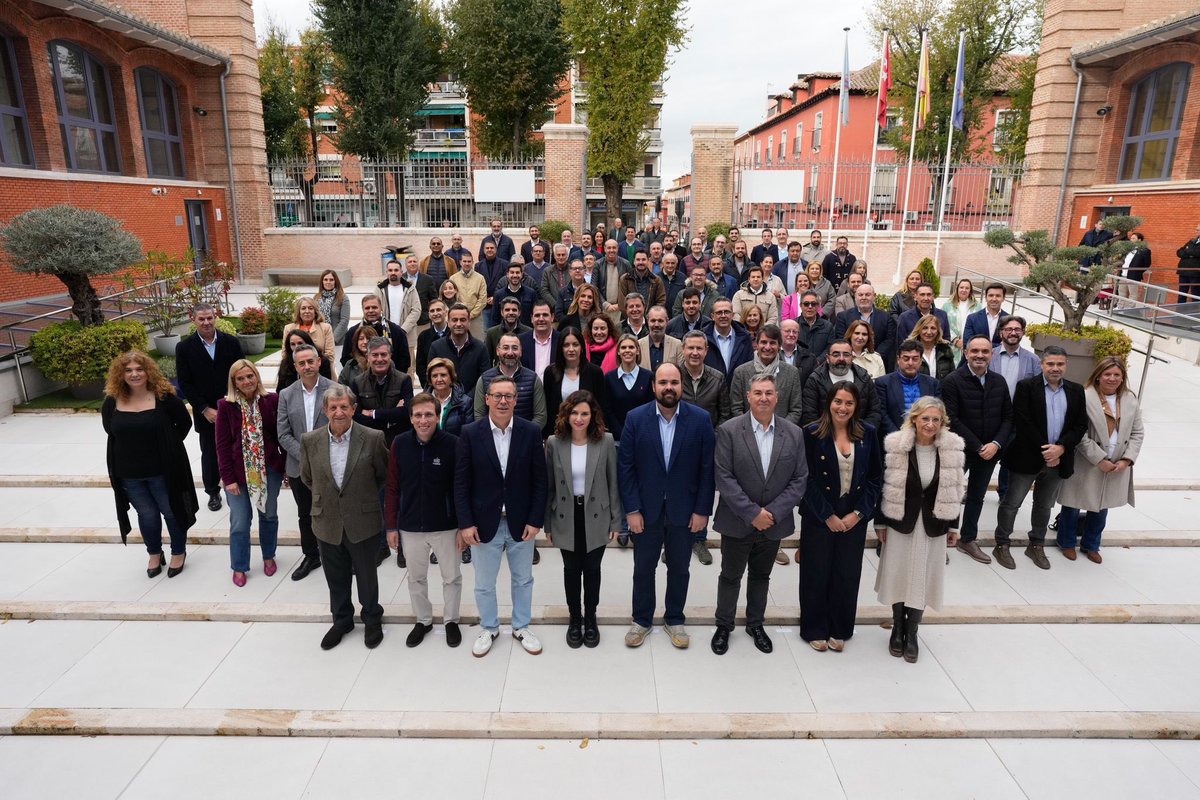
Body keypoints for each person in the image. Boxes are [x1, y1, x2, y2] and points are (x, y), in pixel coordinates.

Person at [619, 363, 717, 649]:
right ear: (653, 387)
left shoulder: (700, 420)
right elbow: (626, 468)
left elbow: (707, 469)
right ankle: (641, 620)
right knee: (643, 568)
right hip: (645, 510)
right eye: (663, 383)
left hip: (684, 511)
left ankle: (675, 619)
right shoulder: (635, 419)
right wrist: (631, 510)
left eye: (674, 382)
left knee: (679, 568)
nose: (669, 388)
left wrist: (702, 511)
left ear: (681, 385)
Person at [711, 374, 808, 655]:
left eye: (768, 393)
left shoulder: (793, 433)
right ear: (748, 397)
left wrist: (772, 513)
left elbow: (800, 478)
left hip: (773, 523)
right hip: (737, 520)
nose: (763, 398)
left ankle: (755, 624)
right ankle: (724, 624)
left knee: (761, 576)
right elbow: (724, 477)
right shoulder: (729, 430)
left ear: (777, 397)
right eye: (758, 393)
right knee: (730, 576)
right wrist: (752, 513)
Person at [456, 376, 549, 657]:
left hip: (521, 522)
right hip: (485, 523)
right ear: (487, 399)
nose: (503, 401)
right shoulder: (470, 433)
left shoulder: (530, 431)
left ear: (516, 400)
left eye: (508, 396)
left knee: (523, 579)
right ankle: (489, 627)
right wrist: (466, 523)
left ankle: (521, 626)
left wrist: (535, 520)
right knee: (484, 583)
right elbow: (461, 483)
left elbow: (540, 481)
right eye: (497, 396)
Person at [874, 397, 966, 663]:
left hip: (933, 523)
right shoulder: (896, 445)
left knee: (922, 577)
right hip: (900, 521)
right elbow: (885, 485)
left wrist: (954, 526)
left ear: (942, 422)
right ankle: (897, 628)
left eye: (936, 419)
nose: (930, 424)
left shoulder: (952, 448)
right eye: (925, 418)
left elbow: (955, 488)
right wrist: (880, 522)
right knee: (899, 575)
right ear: (914, 419)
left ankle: (912, 631)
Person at [300, 384, 390, 650]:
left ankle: (372, 618)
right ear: (325, 410)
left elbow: (383, 475)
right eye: (333, 407)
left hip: (363, 520)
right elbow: (308, 477)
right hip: (327, 520)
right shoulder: (310, 441)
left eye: (344, 407)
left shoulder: (373, 437)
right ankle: (342, 621)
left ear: (353, 409)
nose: (338, 412)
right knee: (335, 577)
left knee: (366, 576)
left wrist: (360, 498)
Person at [799, 382, 883, 651]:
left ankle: (840, 628)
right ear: (829, 403)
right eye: (838, 401)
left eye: (849, 403)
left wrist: (859, 514)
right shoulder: (812, 433)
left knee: (847, 574)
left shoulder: (868, 433)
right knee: (816, 572)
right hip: (819, 514)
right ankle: (814, 628)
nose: (842, 408)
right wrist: (827, 515)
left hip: (853, 516)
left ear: (856, 406)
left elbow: (875, 478)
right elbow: (805, 478)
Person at [102, 351, 198, 578]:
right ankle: (154, 552)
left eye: (139, 369)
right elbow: (110, 430)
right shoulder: (112, 401)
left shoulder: (164, 398)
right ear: (120, 374)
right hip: (128, 473)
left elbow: (184, 423)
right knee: (147, 515)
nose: (134, 374)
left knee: (171, 512)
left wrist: (168, 446)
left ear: (148, 372)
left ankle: (178, 552)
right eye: (128, 370)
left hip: (162, 471)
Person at [993, 346, 1088, 570]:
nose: (1055, 368)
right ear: (1042, 365)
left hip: (1059, 460)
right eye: (1050, 364)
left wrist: (1061, 448)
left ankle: (1036, 544)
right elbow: (1023, 422)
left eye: (1060, 364)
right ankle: (1002, 543)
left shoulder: (1076, 390)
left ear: (1066, 365)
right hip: (1027, 458)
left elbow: (1080, 424)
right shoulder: (1026, 387)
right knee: (1011, 503)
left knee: (1044, 506)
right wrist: (1048, 451)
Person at [544, 391, 623, 648]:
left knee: (592, 569)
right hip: (566, 514)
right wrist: (547, 523)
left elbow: (613, 483)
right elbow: (549, 486)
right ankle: (574, 617)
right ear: (566, 415)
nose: (579, 418)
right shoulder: (554, 442)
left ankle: (590, 618)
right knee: (571, 570)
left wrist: (616, 521)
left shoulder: (605, 441)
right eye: (574, 413)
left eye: (585, 413)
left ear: (593, 415)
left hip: (596, 514)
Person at [385, 392, 463, 648]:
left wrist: (463, 526)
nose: (423, 420)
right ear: (410, 418)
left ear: (438, 417)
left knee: (451, 577)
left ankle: (451, 621)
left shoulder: (453, 444)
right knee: (416, 578)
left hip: (446, 525)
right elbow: (393, 487)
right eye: (417, 415)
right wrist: (391, 525)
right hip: (411, 526)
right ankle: (423, 620)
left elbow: (461, 488)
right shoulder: (399, 444)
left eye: (429, 414)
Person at [1055, 357, 1144, 563]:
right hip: (1087, 461)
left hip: (1117, 462)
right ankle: (1066, 542)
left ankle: (1091, 544)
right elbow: (1078, 432)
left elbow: (1138, 432)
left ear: (1123, 377)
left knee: (1102, 505)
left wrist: (1127, 459)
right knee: (1073, 502)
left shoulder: (1130, 399)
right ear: (1098, 376)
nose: (1112, 378)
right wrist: (1099, 458)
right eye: (1107, 374)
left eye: (1117, 375)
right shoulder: (1085, 396)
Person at [938, 335, 1014, 565]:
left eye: (985, 351)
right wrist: (979, 446)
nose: (980, 355)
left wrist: (996, 444)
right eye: (975, 351)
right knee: (947, 495)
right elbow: (952, 419)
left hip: (990, 451)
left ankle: (968, 539)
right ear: (966, 353)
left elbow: (1008, 418)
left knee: (977, 497)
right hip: (960, 450)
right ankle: (939, 540)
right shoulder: (952, 381)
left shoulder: (999, 382)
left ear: (991, 354)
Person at [216, 359, 285, 587]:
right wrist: (228, 479)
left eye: (250, 376)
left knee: (269, 515)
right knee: (240, 521)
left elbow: (280, 436)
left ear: (257, 376)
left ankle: (268, 555)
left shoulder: (271, 400)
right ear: (234, 382)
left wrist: (285, 466)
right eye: (241, 378)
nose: (247, 381)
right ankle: (239, 565)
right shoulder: (225, 406)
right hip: (238, 475)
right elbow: (222, 446)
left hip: (269, 471)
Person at [176, 303, 244, 512]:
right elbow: (185, 383)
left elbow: (242, 372)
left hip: (233, 407)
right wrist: (204, 408)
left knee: (238, 447)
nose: (206, 322)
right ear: (193, 320)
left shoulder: (231, 342)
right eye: (201, 319)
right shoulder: (184, 348)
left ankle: (241, 483)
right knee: (210, 453)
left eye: (209, 318)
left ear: (215, 318)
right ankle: (213, 491)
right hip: (206, 413)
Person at [276, 344, 332, 582]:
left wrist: (321, 456)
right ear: (295, 366)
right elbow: (283, 433)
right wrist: (305, 455)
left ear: (319, 362)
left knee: (332, 512)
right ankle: (311, 555)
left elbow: (342, 427)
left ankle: (335, 554)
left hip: (330, 464)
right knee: (305, 514)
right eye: (302, 363)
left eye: (311, 361)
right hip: (299, 467)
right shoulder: (286, 394)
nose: (307, 366)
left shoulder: (336, 390)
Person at [728, 324, 804, 425]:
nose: (767, 347)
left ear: (779, 346)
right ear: (757, 344)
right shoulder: (741, 372)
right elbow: (736, 408)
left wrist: (780, 430)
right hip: (747, 431)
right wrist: (751, 428)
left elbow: (796, 410)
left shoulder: (792, 373)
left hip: (782, 432)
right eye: (764, 342)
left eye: (772, 343)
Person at [472, 332, 548, 432]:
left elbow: (540, 416)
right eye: (506, 348)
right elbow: (479, 415)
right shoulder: (484, 379)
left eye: (515, 348)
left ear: (521, 352)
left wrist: (525, 435)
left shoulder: (533, 379)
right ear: (498, 351)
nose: (510, 353)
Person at [543, 327, 606, 438]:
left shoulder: (595, 372)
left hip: (588, 434)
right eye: (566, 345)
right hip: (559, 434)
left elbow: (600, 407)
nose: (571, 349)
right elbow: (548, 407)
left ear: (582, 347)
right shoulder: (550, 372)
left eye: (575, 345)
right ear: (560, 348)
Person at [802, 340, 881, 428]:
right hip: (824, 433)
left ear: (852, 358)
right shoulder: (815, 379)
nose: (841, 359)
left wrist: (861, 432)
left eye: (846, 355)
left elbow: (875, 411)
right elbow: (809, 415)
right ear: (827, 358)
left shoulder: (864, 377)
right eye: (836, 355)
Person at [352, 337, 413, 447]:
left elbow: (407, 413)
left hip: (398, 442)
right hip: (368, 443)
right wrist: (391, 418)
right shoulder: (357, 383)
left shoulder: (404, 380)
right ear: (367, 357)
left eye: (383, 354)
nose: (379, 359)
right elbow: (356, 417)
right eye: (375, 355)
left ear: (390, 356)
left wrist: (373, 414)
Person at [875, 339, 941, 437]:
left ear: (920, 361)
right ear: (898, 360)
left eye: (915, 359)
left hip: (927, 437)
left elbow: (938, 413)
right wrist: (899, 436)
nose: (910, 363)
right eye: (906, 358)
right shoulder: (883, 383)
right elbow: (882, 414)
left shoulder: (933, 384)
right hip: (894, 437)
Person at [426, 303, 490, 395]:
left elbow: (484, 379)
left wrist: (467, 399)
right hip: (444, 399)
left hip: (473, 400)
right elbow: (431, 377)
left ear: (469, 322)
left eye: (463, 320)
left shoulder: (481, 348)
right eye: (454, 320)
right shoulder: (436, 347)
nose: (458, 324)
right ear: (448, 322)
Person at [340, 295, 411, 376]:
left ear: (381, 308)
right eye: (367, 308)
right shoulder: (353, 332)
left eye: (374, 307)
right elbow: (345, 358)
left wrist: (393, 377)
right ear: (363, 310)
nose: (371, 310)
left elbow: (404, 359)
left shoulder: (396, 331)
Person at [602, 333, 654, 441]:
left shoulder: (648, 377)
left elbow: (651, 408)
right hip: (617, 439)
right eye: (623, 347)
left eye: (631, 347)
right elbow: (607, 410)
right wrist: (621, 434)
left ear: (637, 351)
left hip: (643, 436)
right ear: (618, 351)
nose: (627, 350)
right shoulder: (609, 378)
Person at [834, 283, 897, 370]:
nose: (864, 297)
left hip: (877, 363)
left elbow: (890, 339)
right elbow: (841, 338)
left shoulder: (886, 317)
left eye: (867, 295)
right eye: (860, 295)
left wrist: (874, 356)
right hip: (851, 363)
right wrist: (854, 354)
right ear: (855, 296)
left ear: (874, 296)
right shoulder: (843, 316)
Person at [371, 259, 421, 348]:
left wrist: (403, 330)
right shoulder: (379, 289)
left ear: (401, 272)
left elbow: (416, 310)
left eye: (396, 270)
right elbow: (374, 309)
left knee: (408, 357)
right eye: (390, 270)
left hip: (407, 334)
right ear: (387, 272)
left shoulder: (410, 288)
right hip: (385, 335)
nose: (393, 273)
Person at [704, 298, 753, 380]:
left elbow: (749, 367)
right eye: (719, 312)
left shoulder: (745, 338)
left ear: (732, 315)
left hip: (738, 385)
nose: (723, 316)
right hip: (711, 386)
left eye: (727, 312)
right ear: (712, 316)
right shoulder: (703, 338)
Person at [425, 358, 472, 437]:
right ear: (430, 380)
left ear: (451, 377)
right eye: (434, 376)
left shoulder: (465, 402)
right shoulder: (421, 402)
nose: (439, 379)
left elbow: (468, 434)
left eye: (443, 375)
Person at [448, 251, 489, 340]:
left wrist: (471, 315)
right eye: (464, 261)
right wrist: (460, 314)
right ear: (460, 262)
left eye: (469, 261)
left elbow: (482, 299)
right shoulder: (453, 278)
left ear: (472, 262)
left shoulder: (480, 278)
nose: (467, 263)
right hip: (458, 317)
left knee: (477, 342)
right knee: (457, 340)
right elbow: (451, 298)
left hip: (475, 318)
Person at [941, 278, 981, 363]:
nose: (964, 290)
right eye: (961, 287)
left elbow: (979, 325)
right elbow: (943, 324)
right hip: (952, 346)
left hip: (971, 346)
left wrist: (968, 341)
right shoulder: (947, 305)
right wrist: (955, 340)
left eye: (967, 288)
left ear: (970, 291)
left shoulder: (978, 306)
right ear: (957, 289)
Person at [485, 296, 532, 364]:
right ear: (502, 312)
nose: (511, 313)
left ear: (519, 313)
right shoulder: (492, 333)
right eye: (507, 310)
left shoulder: (529, 332)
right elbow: (487, 360)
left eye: (514, 310)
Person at [908, 314, 956, 380]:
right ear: (919, 330)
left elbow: (952, 378)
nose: (929, 332)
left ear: (938, 331)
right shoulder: (908, 350)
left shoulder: (945, 350)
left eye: (933, 328)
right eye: (925, 328)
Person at [520, 301, 560, 379]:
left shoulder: (562, 340)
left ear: (552, 317)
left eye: (545, 315)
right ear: (532, 318)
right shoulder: (521, 341)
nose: (541, 319)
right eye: (537, 315)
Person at [415, 298, 451, 384]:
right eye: (432, 311)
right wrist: (428, 385)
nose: (435, 313)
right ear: (429, 314)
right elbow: (420, 365)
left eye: (438, 310)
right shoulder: (423, 336)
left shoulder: (453, 334)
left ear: (446, 312)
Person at [962, 283, 1006, 351]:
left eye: (998, 296)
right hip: (976, 356)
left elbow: (1010, 345)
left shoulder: (1009, 320)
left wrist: (979, 344)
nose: (994, 299)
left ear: (1003, 298)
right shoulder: (972, 318)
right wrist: (998, 345)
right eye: (991, 295)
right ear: (985, 298)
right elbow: (967, 343)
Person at [491, 262, 536, 328]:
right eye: (512, 272)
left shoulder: (531, 293)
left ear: (522, 274)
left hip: (526, 332)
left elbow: (534, 315)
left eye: (517, 272)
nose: (515, 275)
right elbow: (495, 319)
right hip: (504, 332)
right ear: (507, 274)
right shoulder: (498, 295)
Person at [314, 269, 351, 345]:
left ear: (335, 281)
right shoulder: (316, 298)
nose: (328, 282)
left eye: (331, 280)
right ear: (322, 282)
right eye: (325, 280)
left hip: (338, 340)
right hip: (320, 339)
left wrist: (332, 339)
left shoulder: (343, 298)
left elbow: (344, 321)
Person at [639, 305, 682, 370]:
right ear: (648, 321)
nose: (656, 325)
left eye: (660, 321)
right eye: (653, 321)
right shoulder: (638, 345)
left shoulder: (677, 345)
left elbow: (680, 371)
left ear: (667, 322)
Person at [796, 291, 834, 356]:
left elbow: (830, 347)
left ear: (818, 306)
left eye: (813, 304)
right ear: (800, 306)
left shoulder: (828, 326)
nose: (810, 307)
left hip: (821, 362)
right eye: (806, 304)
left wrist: (818, 361)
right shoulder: (793, 325)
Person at [1117, 232, 1150, 307]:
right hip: (1123, 274)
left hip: (1133, 275)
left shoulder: (1145, 251)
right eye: (1131, 238)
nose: (1131, 240)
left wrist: (1137, 272)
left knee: (1133, 293)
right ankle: (1120, 306)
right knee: (1121, 292)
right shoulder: (1128, 249)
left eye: (1134, 238)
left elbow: (1146, 264)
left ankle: (1130, 308)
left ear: (1139, 240)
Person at [1176, 223, 1200, 298]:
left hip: (1195, 273)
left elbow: (1198, 253)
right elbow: (1179, 252)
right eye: (1196, 229)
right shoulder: (1192, 241)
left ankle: (1195, 306)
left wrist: (1187, 250)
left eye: (1198, 230)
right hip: (1183, 271)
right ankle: (1180, 306)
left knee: (1195, 294)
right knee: (1182, 293)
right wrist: (1191, 254)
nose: (1196, 231)